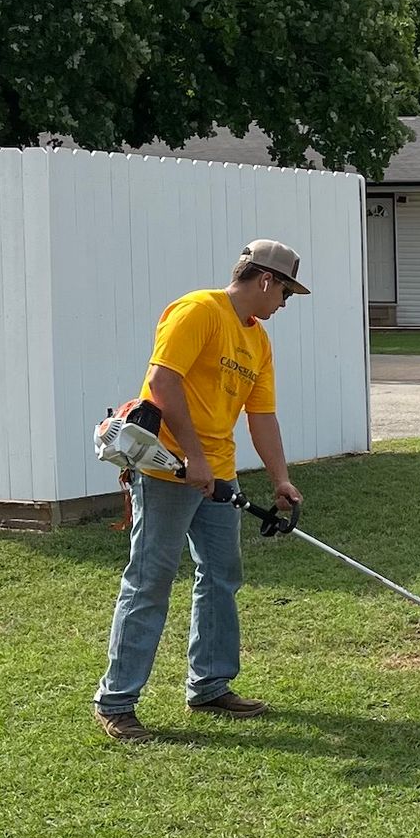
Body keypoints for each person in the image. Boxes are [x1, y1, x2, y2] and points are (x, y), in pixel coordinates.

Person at [94, 240, 309, 744]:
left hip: (219, 475)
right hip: (168, 468)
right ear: (264, 280)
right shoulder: (198, 311)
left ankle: (210, 685)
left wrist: (280, 478)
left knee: (221, 577)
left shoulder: (258, 341)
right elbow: (161, 382)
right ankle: (117, 702)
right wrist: (192, 456)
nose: (284, 304)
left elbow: (263, 416)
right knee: (149, 581)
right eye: (285, 293)